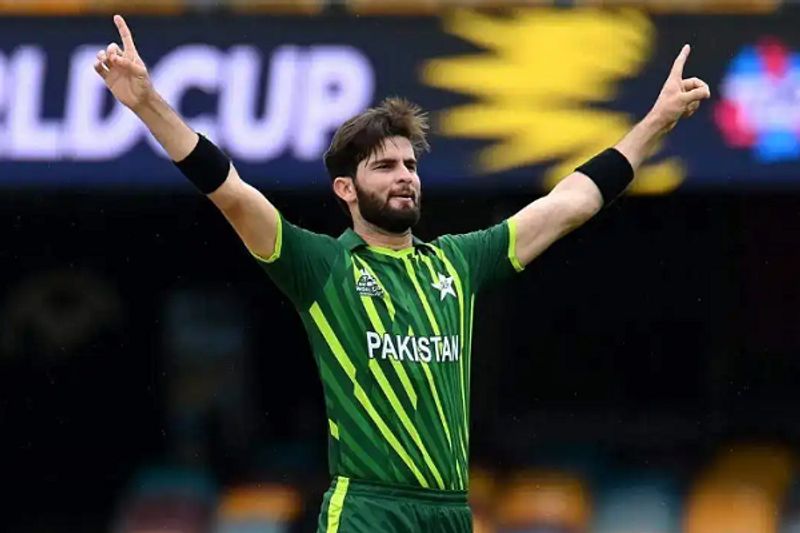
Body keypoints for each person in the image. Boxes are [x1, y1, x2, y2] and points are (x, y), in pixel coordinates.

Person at [94, 14, 710, 533]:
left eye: (410, 165)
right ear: (346, 188)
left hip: (450, 512)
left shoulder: (457, 262)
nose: (405, 176)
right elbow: (230, 192)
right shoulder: (321, 266)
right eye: (385, 166)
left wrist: (654, 122)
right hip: (368, 508)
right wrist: (148, 103)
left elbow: (569, 204)